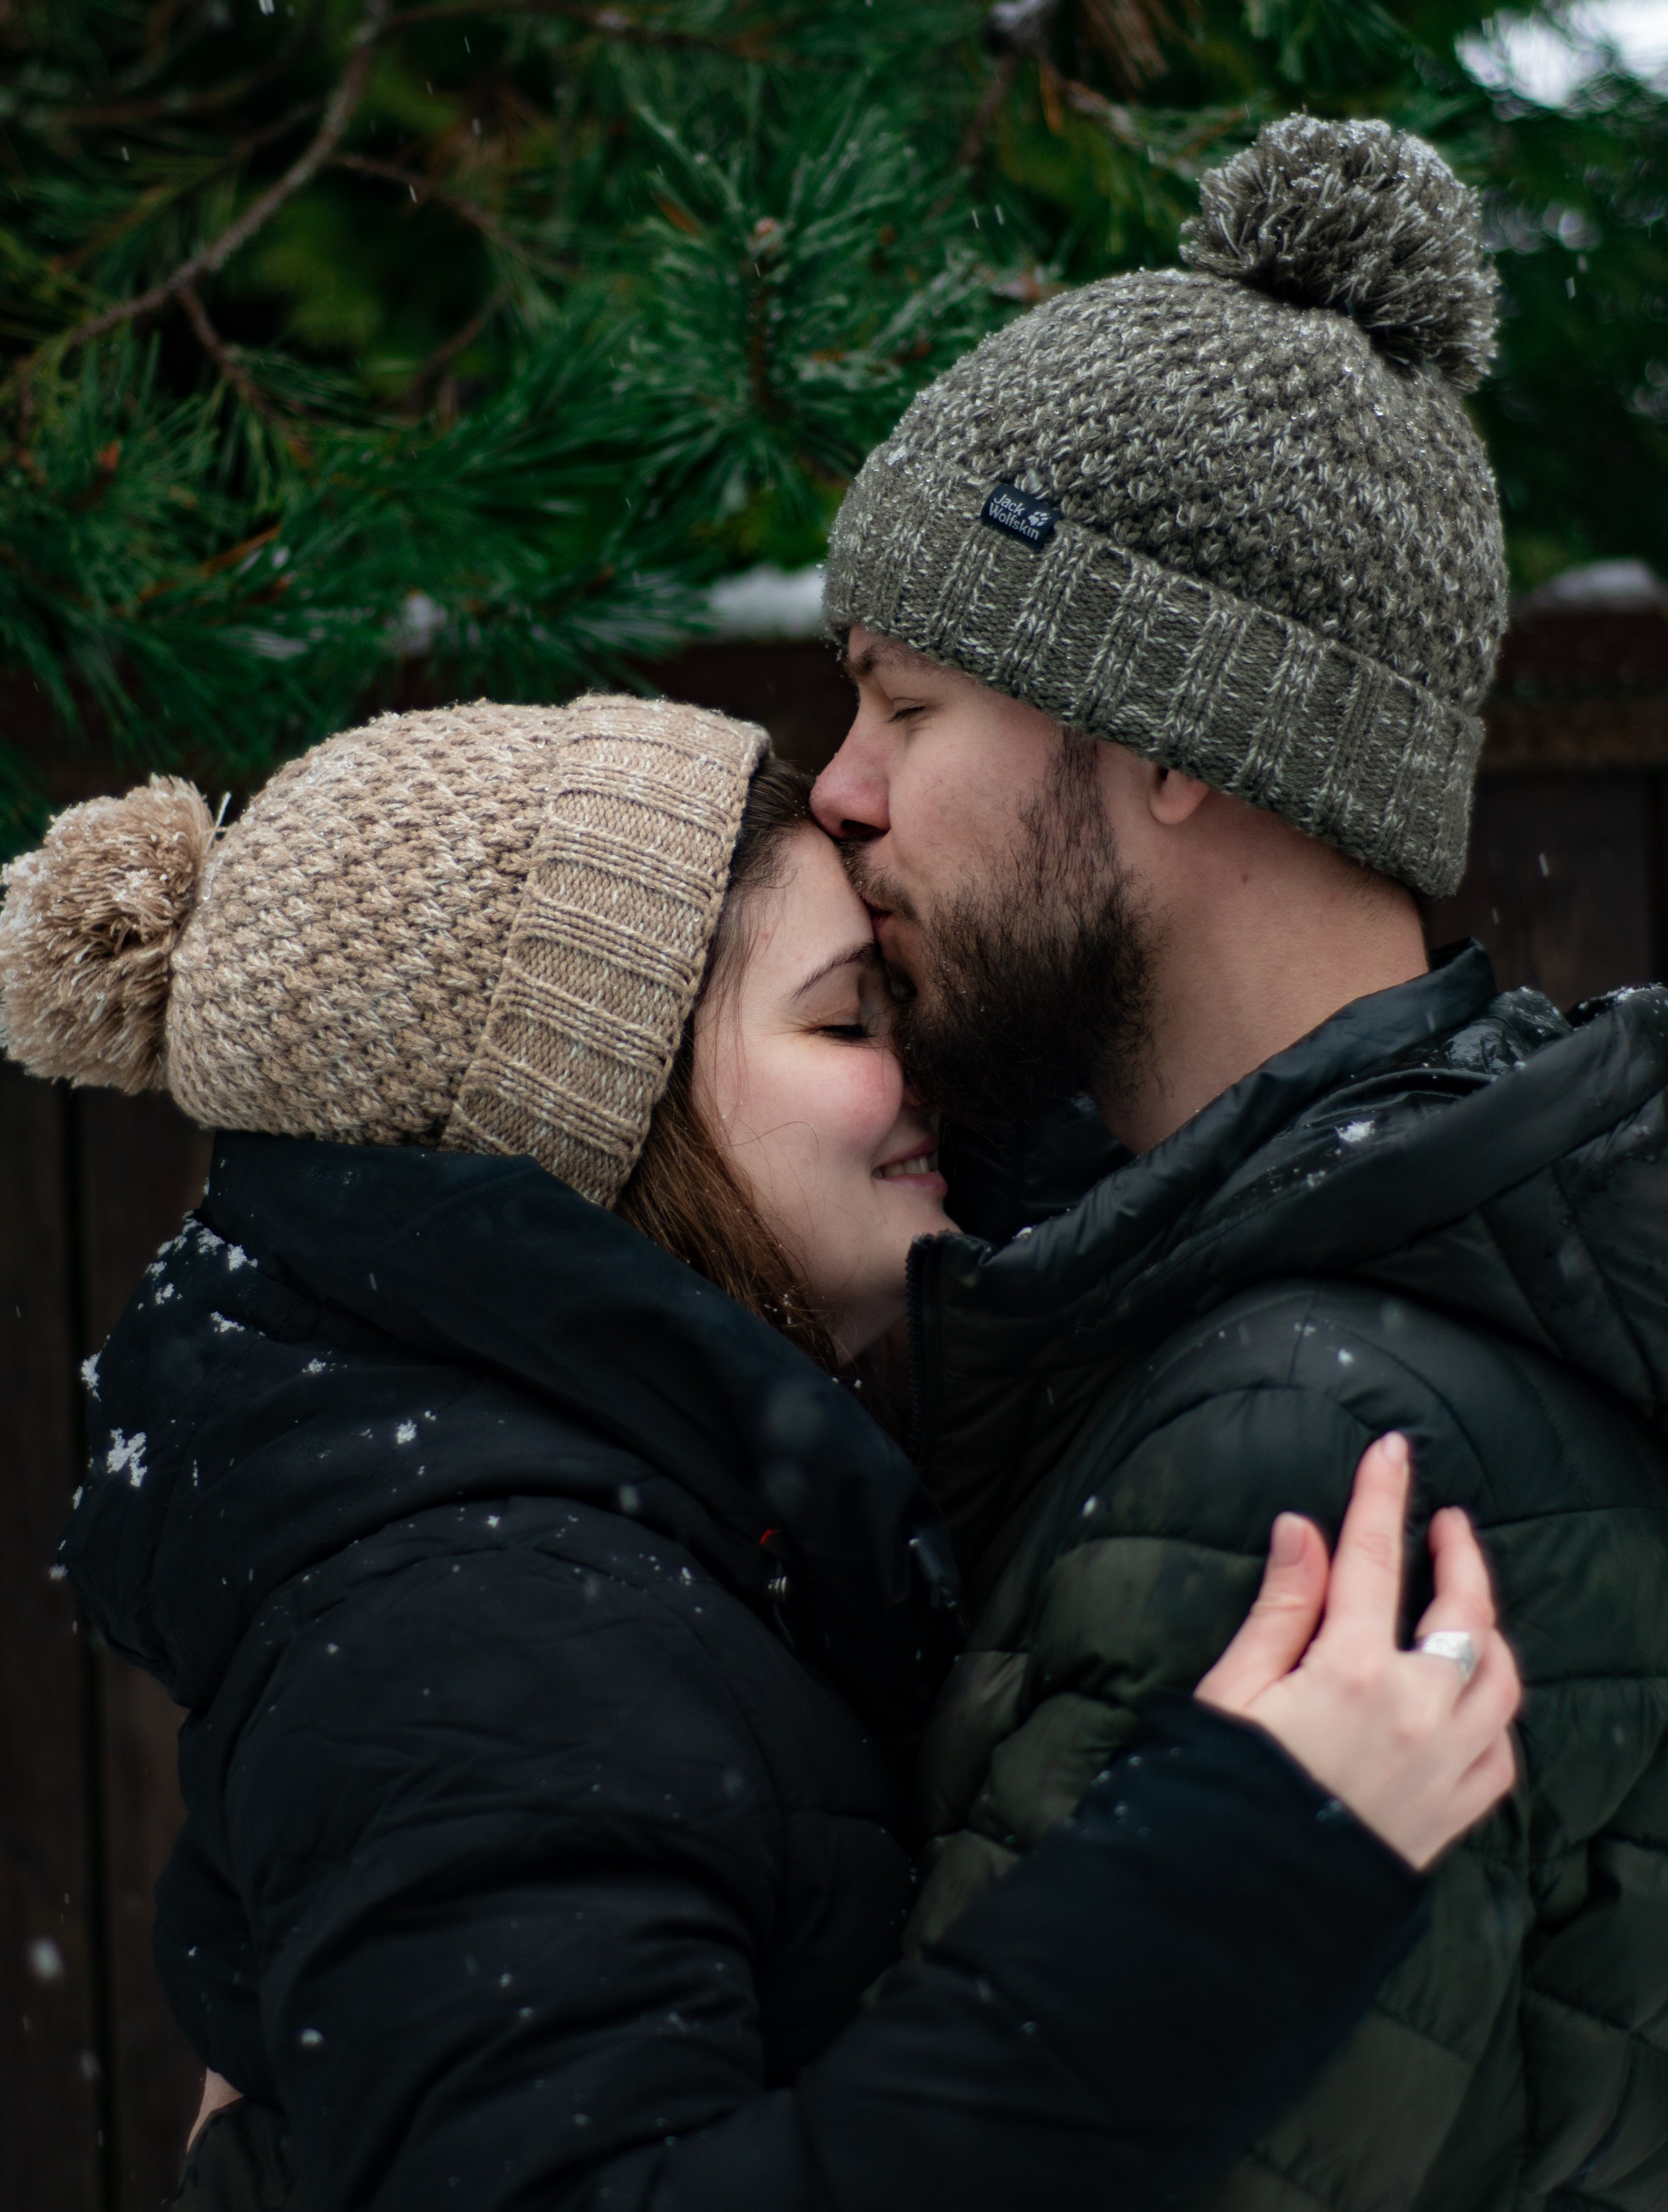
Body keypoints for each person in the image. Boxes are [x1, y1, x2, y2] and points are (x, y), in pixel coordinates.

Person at [0, 694, 1518, 2212]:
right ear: (602, 1119)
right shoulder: (485, 1636)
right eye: (847, 1018)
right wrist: (1234, 1888)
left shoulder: (613, 1526)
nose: (919, 1068)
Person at [809, 111, 1668, 2210]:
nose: (838, 793)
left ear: (1178, 735)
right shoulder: (1423, 1264)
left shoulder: (1302, 1443)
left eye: (907, 705)